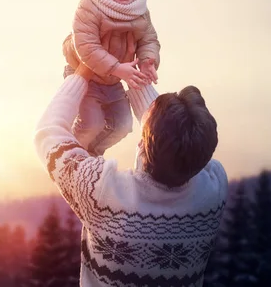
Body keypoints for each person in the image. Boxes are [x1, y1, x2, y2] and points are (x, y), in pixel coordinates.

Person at [34, 35, 228, 287]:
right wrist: (128, 69)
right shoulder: (214, 191)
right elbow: (178, 142)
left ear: (141, 144)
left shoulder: (103, 195)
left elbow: (48, 132)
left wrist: (84, 69)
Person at [62, 0, 161, 157]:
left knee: (123, 125)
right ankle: (72, 158)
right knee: (92, 123)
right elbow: (86, 47)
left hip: (113, 78)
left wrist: (148, 61)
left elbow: (149, 39)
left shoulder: (140, 12)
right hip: (86, 73)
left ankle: (92, 153)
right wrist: (117, 68)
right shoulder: (89, 7)